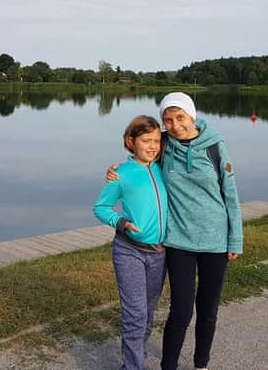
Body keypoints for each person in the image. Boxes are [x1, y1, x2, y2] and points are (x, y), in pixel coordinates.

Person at [108, 92, 243, 370]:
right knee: (180, 311)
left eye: (179, 117)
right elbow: (142, 156)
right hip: (179, 241)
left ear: (191, 115)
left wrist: (235, 239)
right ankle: (168, 366)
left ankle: (201, 364)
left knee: (208, 310)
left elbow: (231, 195)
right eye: (167, 120)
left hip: (215, 242)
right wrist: (116, 170)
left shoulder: (214, 146)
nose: (174, 125)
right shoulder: (165, 145)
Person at [95, 115, 169, 370]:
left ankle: (133, 361)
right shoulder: (121, 174)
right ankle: (133, 367)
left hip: (160, 254)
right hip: (129, 252)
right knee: (135, 314)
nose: (152, 146)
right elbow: (101, 207)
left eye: (157, 141)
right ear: (131, 141)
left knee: (147, 314)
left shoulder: (164, 168)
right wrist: (122, 223)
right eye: (146, 140)